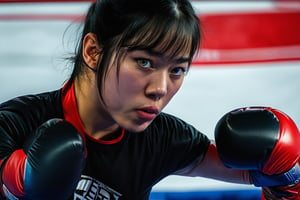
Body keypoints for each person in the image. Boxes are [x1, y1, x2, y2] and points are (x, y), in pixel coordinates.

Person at [0, 0, 299, 199]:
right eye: (144, 62)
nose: (160, 87)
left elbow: (269, 175)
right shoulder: (15, 125)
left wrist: (288, 172)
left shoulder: (163, 138)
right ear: (93, 52)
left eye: (177, 69)